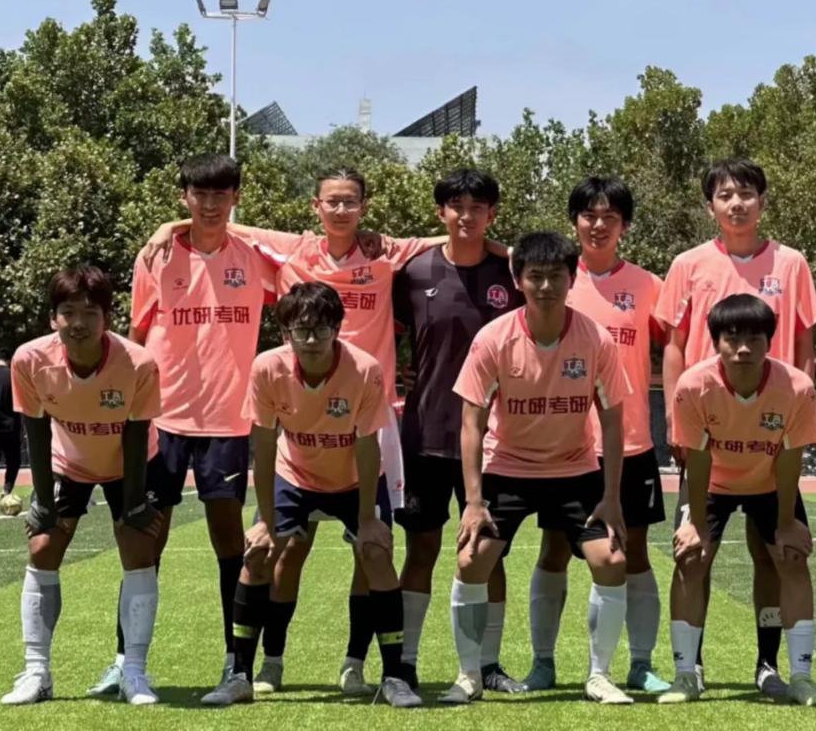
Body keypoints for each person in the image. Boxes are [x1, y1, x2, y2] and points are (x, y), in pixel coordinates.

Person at [88, 154, 280, 701]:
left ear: (236, 198)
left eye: (221, 193)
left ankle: (236, 665)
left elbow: (314, 252)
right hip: (161, 417)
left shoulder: (256, 258)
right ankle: (125, 662)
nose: (211, 204)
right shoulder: (157, 254)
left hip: (228, 420)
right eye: (200, 193)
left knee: (229, 541)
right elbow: (136, 332)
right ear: (185, 197)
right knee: (146, 540)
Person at [201, 282, 422, 707]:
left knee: (376, 553)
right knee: (258, 556)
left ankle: (394, 678)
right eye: (300, 330)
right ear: (286, 332)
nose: (311, 339)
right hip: (295, 474)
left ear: (337, 328)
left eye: (321, 329)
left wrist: (367, 521)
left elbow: (367, 445)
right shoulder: (267, 367)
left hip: (354, 479)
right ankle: (240, 675)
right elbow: (264, 444)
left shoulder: (364, 369)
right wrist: (265, 521)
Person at [655, 158, 816, 696]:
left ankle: (770, 665)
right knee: (693, 553)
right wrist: (676, 422)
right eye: (725, 195)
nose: (737, 203)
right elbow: (675, 345)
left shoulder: (792, 263)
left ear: (763, 202)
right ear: (710, 206)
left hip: (772, 433)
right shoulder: (688, 264)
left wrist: (797, 406)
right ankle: (691, 667)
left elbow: (804, 346)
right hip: (707, 427)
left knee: (774, 556)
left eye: (747, 193)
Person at [445, 231, 633, 706]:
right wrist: (473, 502)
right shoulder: (494, 338)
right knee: (471, 560)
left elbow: (613, 422)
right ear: (518, 280)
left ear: (572, 279)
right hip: (508, 468)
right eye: (535, 277)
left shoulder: (595, 339)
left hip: (574, 471)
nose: (545, 286)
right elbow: (471, 424)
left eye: (555, 276)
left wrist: (611, 497)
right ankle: (469, 675)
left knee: (611, 561)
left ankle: (599, 676)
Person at [523, 177, 669, 693]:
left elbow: (675, 346)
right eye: (589, 215)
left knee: (635, 554)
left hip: (630, 443)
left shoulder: (649, 285)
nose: (599, 224)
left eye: (610, 216)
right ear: (575, 222)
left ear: (625, 225)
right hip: (565, 447)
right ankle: (543, 663)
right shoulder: (557, 280)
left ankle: (640, 664)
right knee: (553, 551)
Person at [2, 267, 162, 706]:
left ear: (107, 318)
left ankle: (134, 672)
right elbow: (35, 431)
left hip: (128, 463)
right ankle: (37, 673)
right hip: (67, 462)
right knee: (42, 547)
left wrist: (134, 505)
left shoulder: (138, 363)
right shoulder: (29, 359)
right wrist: (42, 502)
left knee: (139, 548)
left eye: (90, 313)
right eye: (67, 312)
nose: (78, 323)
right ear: (53, 317)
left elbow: (136, 434)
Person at [662, 294, 816, 706]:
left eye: (754, 338)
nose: (743, 348)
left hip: (769, 482)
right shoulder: (693, 385)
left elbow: (789, 459)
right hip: (712, 483)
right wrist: (696, 524)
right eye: (732, 338)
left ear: (770, 341)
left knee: (791, 558)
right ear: (715, 342)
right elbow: (698, 459)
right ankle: (686, 674)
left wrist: (787, 524)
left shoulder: (797, 388)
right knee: (691, 559)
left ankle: (797, 675)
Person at [393, 169, 524, 691]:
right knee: (420, 550)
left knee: (489, 553)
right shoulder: (414, 272)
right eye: (457, 206)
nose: (466, 216)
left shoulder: (511, 272)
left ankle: (488, 666)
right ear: (441, 213)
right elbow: (386, 333)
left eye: (477, 207)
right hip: (426, 433)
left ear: (492, 214)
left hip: (495, 440)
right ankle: (404, 662)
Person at [0, 347, 23, 509]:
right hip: (10, 427)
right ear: (8, 360)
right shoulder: (13, 376)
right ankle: (6, 490)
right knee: (14, 461)